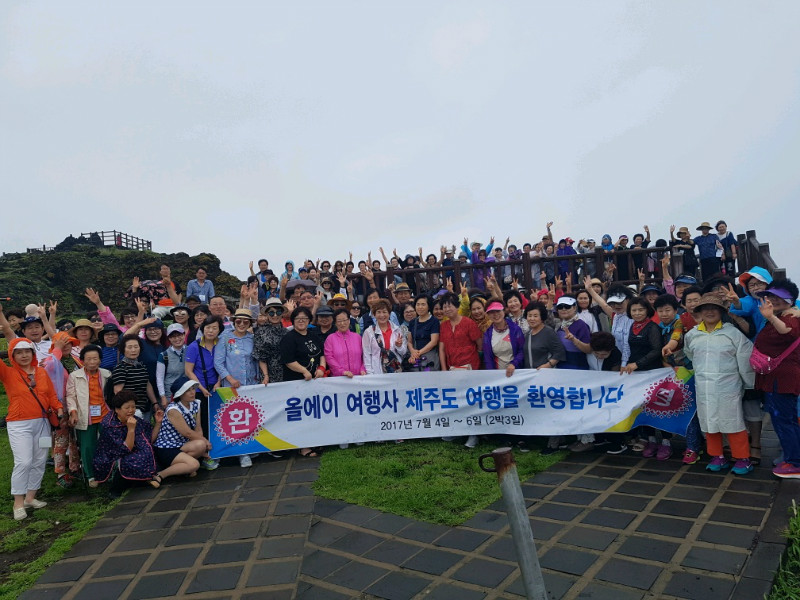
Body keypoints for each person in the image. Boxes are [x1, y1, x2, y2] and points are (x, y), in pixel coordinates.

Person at [684, 294, 755, 475]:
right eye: (705, 308)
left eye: (714, 308)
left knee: (733, 422)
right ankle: (717, 455)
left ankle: (743, 458)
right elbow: (690, 354)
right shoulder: (692, 335)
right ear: (700, 312)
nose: (709, 312)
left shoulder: (732, 334)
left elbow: (745, 358)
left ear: (721, 311)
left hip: (728, 386)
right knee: (709, 421)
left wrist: (749, 383)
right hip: (704, 386)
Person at [0, 337, 63, 520]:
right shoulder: (8, 373)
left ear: (33, 353)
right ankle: (18, 503)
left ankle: (30, 497)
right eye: (19, 352)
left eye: (27, 351)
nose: (24, 355)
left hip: (43, 423)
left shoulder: (41, 372)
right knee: (24, 462)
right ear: (12, 356)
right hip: (19, 424)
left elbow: (51, 395)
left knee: (39, 460)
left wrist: (58, 408)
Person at [752, 280, 800, 478]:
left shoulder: (790, 317)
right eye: (770, 296)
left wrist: (771, 317)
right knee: (784, 419)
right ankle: (792, 457)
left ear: (790, 299)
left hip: (783, 378)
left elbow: (788, 332)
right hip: (775, 378)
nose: (773, 299)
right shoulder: (782, 315)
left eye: (779, 296)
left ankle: (795, 463)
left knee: (784, 420)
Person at [93, 390, 164, 494]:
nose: (131, 410)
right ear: (117, 409)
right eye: (127, 408)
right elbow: (126, 448)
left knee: (149, 452)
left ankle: (142, 479)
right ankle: (116, 490)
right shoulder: (109, 426)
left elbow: (148, 440)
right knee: (130, 460)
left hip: (130, 452)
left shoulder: (135, 420)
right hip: (111, 459)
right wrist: (131, 430)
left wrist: (158, 423)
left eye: (133, 407)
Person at [215, 309, 259, 468]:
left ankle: (251, 447)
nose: (241, 324)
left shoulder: (252, 338)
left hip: (251, 384)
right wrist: (230, 379)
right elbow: (218, 362)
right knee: (237, 419)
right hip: (232, 386)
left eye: (245, 321)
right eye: (238, 321)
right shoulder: (225, 338)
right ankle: (242, 454)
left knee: (251, 417)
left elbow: (256, 360)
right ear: (234, 322)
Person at [280, 307, 326, 458]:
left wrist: (321, 368)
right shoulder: (289, 338)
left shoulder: (313, 335)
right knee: (300, 414)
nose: (301, 321)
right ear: (293, 321)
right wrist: (304, 371)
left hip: (314, 383)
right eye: (298, 318)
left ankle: (315, 440)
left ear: (309, 321)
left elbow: (322, 355)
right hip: (296, 382)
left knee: (313, 413)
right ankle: (302, 446)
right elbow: (288, 360)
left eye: (304, 318)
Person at [66, 344, 110, 488]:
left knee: (108, 444)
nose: (92, 362)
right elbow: (70, 396)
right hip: (85, 416)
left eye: (95, 358)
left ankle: (108, 472)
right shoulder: (75, 376)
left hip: (105, 415)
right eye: (88, 359)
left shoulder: (106, 374)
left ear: (100, 360)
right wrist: (73, 412)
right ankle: (91, 475)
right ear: (82, 360)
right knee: (87, 447)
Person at [152, 377, 212, 480]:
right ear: (180, 394)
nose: (192, 392)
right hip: (167, 447)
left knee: (201, 445)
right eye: (188, 391)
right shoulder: (173, 409)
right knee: (195, 464)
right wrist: (205, 441)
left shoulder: (196, 403)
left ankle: (182, 468)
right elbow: (187, 433)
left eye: (193, 389)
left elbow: (198, 428)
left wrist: (203, 442)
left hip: (182, 444)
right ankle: (160, 474)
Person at [111, 334, 160, 419]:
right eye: (129, 347)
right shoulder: (121, 368)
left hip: (145, 408)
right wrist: (128, 410)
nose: (133, 350)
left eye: (136, 347)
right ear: (123, 349)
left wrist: (155, 403)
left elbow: (147, 385)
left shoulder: (141, 366)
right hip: (130, 411)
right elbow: (118, 392)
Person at [363, 299, 408, 375]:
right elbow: (366, 355)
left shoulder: (397, 330)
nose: (382, 315)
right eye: (378, 312)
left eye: (384, 312)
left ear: (389, 314)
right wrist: (370, 374)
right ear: (374, 314)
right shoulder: (369, 332)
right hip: (377, 373)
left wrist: (399, 346)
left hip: (396, 371)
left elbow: (403, 352)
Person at [482, 302, 524, 376]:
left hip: (517, 372)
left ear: (504, 311)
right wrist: (492, 375)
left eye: (498, 311)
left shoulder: (515, 329)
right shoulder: (487, 334)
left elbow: (522, 350)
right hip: (499, 375)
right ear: (488, 315)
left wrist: (514, 364)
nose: (495, 314)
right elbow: (488, 358)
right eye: (492, 312)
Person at [253, 298, 287, 384]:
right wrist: (266, 375)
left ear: (282, 314)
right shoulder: (261, 332)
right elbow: (261, 357)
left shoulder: (286, 332)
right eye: (271, 313)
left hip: (287, 373)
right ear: (267, 314)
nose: (275, 315)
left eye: (278, 312)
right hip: (268, 375)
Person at [325, 309, 366, 377]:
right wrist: (342, 372)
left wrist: (363, 369)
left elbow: (365, 355)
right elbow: (329, 358)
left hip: (358, 377)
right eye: (339, 321)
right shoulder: (330, 339)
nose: (342, 323)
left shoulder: (357, 337)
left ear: (349, 321)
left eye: (344, 320)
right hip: (339, 378)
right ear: (335, 323)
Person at [407, 295, 441, 371]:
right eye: (418, 304)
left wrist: (418, 353)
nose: (420, 307)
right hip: (415, 360)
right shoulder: (412, 322)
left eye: (423, 304)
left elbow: (434, 342)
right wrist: (412, 352)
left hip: (429, 358)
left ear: (428, 306)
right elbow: (409, 341)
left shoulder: (434, 321)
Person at [156, 324, 187, 406]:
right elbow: (159, 378)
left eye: (179, 335)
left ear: (184, 335)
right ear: (169, 338)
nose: (177, 339)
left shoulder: (191, 351)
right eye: (173, 336)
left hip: (188, 393)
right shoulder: (163, 355)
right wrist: (163, 396)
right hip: (171, 395)